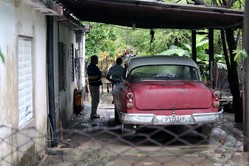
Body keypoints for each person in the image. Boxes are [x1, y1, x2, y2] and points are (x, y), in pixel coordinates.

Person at [87, 55, 102, 119]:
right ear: (93, 60)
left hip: (91, 85)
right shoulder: (95, 68)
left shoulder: (89, 67)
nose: (97, 60)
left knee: (94, 100)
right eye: (96, 59)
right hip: (95, 85)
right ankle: (93, 114)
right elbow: (99, 75)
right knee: (95, 100)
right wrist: (98, 76)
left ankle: (94, 113)